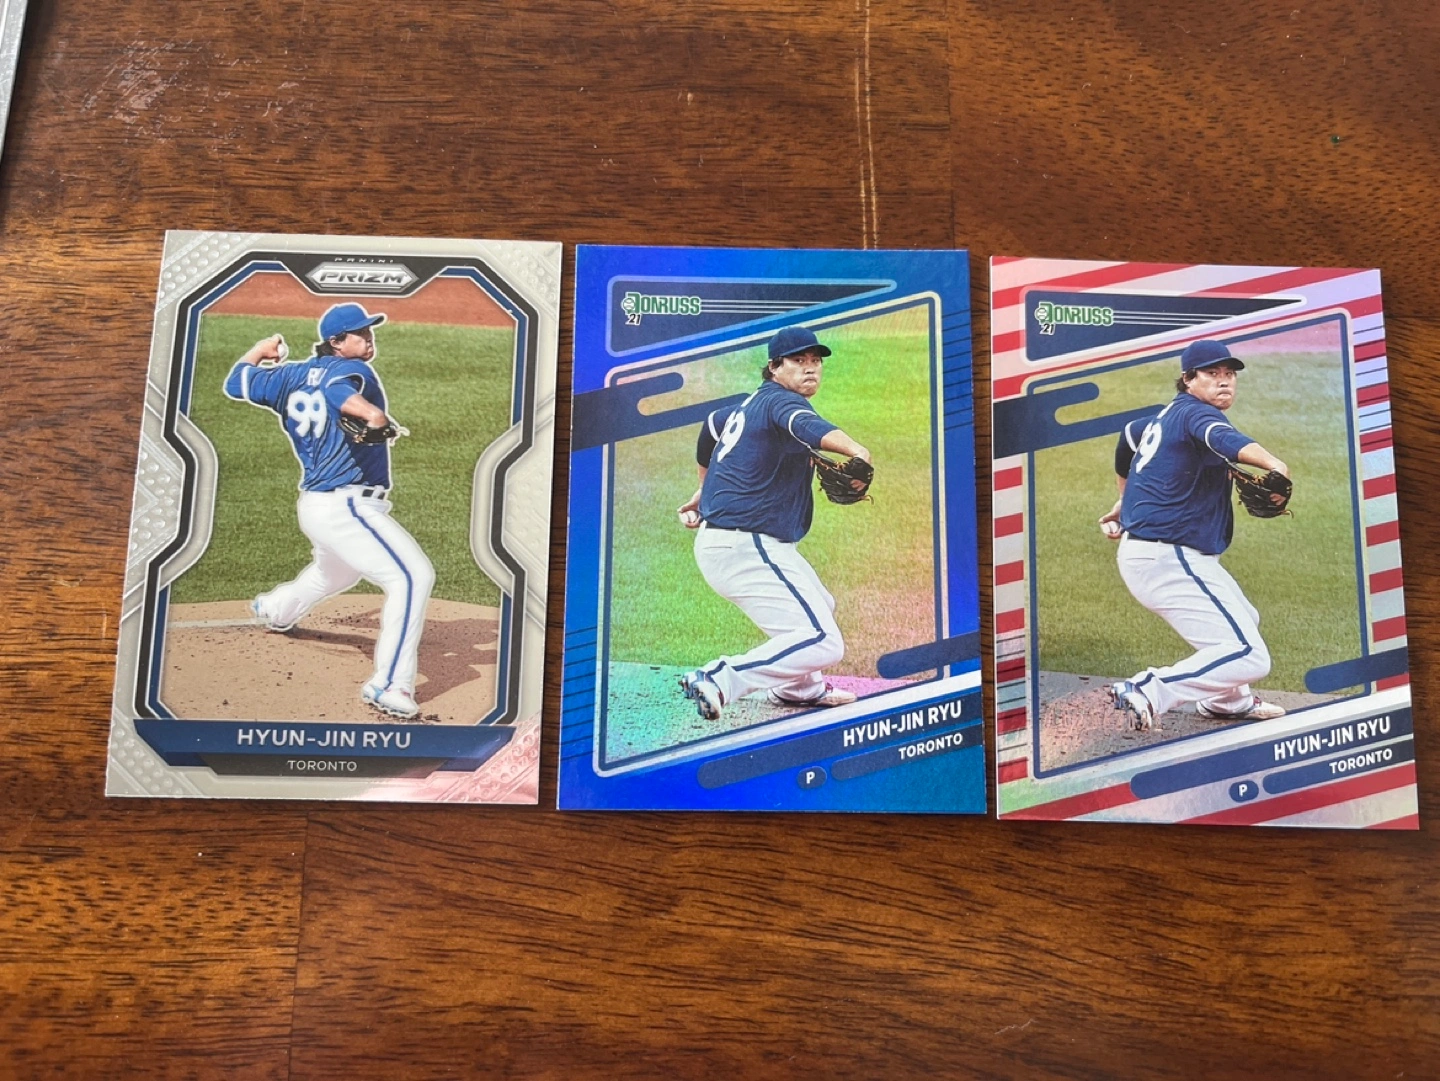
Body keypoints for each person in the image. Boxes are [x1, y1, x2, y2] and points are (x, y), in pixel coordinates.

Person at [223, 302, 434, 720]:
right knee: (412, 577)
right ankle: (388, 685)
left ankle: (277, 609)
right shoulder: (350, 371)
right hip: (345, 505)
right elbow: (339, 393)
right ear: (336, 342)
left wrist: (261, 350)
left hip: (316, 505)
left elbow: (236, 382)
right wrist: (371, 413)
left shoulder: (287, 376)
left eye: (370, 333)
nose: (369, 340)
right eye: (361, 335)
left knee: (336, 573)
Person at [675, 325, 871, 720]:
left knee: (821, 605)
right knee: (823, 641)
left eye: (815, 361)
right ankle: (718, 678)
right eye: (798, 360)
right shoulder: (782, 403)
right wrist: (858, 451)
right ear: (774, 367)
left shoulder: (751, 405)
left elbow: (711, 426)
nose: (810, 368)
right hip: (746, 546)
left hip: (739, 544)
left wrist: (705, 490)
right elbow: (808, 427)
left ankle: (799, 689)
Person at [1099, 339, 1289, 730]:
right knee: (1250, 655)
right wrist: (1276, 465)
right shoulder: (1197, 415)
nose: (1224, 381)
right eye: (1212, 374)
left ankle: (1227, 701)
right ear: (1188, 379)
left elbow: (1128, 438)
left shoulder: (1163, 417)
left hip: (1158, 555)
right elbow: (1225, 440)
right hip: (1168, 558)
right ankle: (1147, 690)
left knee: (1245, 618)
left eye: (1229, 374)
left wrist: (1125, 501)